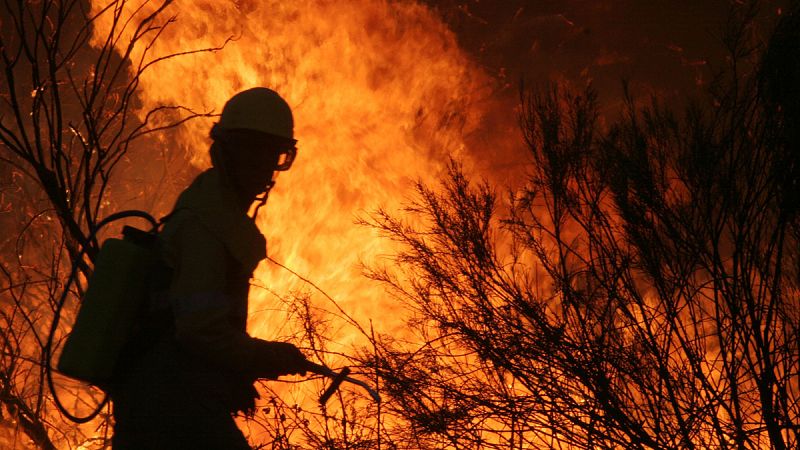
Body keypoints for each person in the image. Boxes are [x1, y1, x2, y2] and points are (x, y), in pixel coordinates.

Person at [110, 88, 309, 449]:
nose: (262, 169)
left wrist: (234, 374)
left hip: (168, 397)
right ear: (225, 153)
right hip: (166, 403)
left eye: (271, 156)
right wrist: (265, 357)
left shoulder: (216, 215)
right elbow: (199, 330)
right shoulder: (207, 225)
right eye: (252, 153)